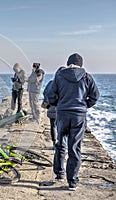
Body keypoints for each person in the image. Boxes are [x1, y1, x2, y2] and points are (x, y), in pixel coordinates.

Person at [46, 53, 99, 191]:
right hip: (78, 116)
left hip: (62, 114)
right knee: (74, 147)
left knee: (60, 143)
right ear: (81, 64)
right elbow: (95, 96)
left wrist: (59, 104)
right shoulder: (87, 77)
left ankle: (59, 174)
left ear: (68, 63)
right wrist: (83, 106)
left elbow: (50, 95)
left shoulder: (59, 75)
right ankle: (72, 181)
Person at [42, 80, 57, 149]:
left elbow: (45, 93)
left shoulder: (51, 83)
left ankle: (54, 143)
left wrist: (47, 104)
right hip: (63, 109)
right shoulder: (66, 83)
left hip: (52, 108)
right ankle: (62, 144)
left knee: (53, 126)